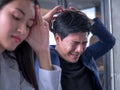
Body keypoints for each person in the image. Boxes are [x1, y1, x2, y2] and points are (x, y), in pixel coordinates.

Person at [35, 7, 116, 90]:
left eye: (84, 43)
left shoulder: (86, 56)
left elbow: (109, 41)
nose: (80, 50)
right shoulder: (44, 58)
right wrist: (42, 22)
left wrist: (89, 21)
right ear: (57, 39)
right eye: (75, 43)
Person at [0, 0, 63, 90]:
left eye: (28, 25)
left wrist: (43, 50)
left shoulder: (11, 67)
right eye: (16, 17)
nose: (23, 30)